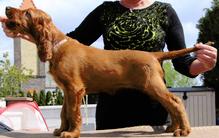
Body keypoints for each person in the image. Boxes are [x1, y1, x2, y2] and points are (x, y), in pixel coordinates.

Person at [1, 0, 217, 130]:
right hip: (111, 114)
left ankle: (181, 122)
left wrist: (204, 65)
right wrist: (23, 32)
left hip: (153, 114)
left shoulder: (165, 11)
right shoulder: (105, 10)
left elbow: (182, 63)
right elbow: (70, 41)